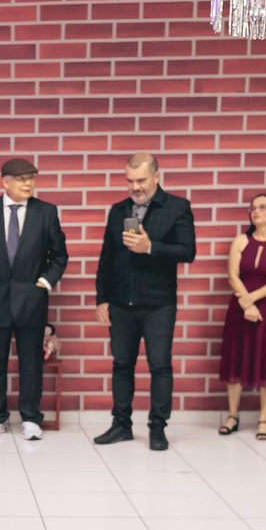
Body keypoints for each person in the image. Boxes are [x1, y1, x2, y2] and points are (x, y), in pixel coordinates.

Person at [93, 153, 197, 451]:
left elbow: (187, 251)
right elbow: (107, 257)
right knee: (121, 365)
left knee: (160, 365)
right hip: (120, 303)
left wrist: (151, 247)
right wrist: (102, 299)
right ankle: (121, 425)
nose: (134, 187)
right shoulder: (118, 210)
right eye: (129, 181)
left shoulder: (177, 207)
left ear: (156, 176)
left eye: (140, 180)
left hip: (159, 304)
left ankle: (158, 428)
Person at [0, 158, 68, 440]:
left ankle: (31, 418)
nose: (28, 184)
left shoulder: (46, 212)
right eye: (21, 179)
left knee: (31, 363)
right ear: (5, 182)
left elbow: (59, 256)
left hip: (32, 301)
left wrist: (43, 283)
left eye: (31, 179)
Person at [217, 195, 266, 440]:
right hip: (241, 307)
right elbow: (233, 276)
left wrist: (250, 300)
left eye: (262, 207)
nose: (256, 211)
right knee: (236, 356)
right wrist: (246, 302)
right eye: (252, 208)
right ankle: (233, 415)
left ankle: (264, 418)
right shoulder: (241, 240)